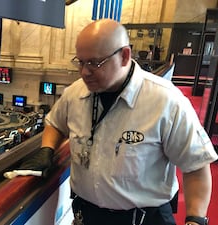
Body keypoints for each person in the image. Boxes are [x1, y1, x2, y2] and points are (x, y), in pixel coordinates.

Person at [19, 19, 218, 225]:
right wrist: (46, 150)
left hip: (142, 219)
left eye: (95, 63)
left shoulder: (166, 101)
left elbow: (196, 166)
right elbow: (55, 123)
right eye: (80, 62)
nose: (85, 72)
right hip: (87, 216)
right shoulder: (74, 94)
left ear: (124, 56)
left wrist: (195, 220)